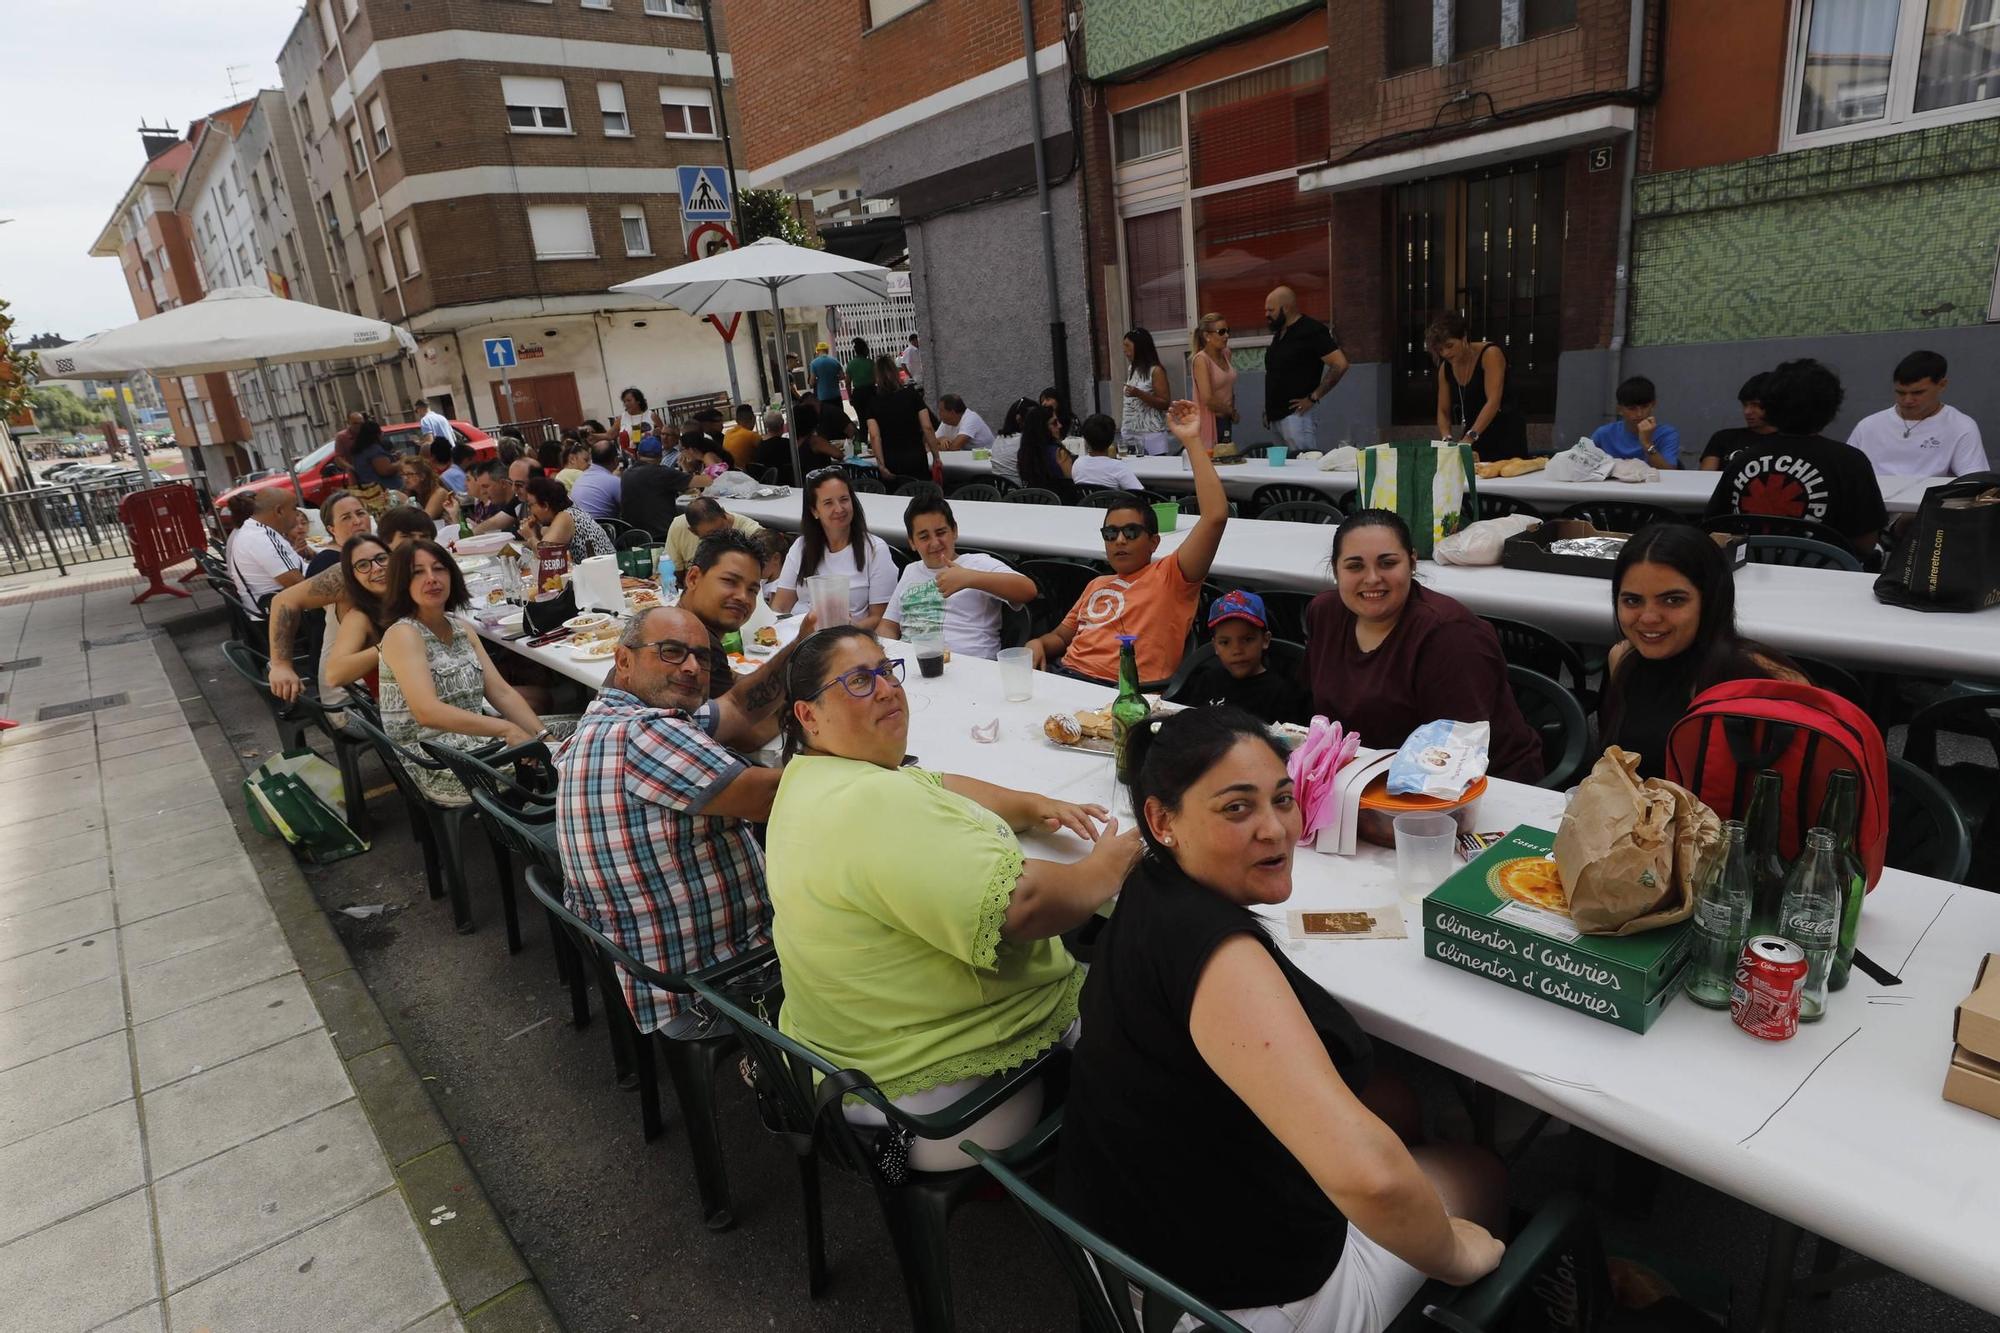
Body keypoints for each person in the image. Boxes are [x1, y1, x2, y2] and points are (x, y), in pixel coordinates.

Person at [1061, 707, 1505, 1325]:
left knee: (1395, 1101)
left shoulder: (1147, 887)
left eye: (1283, 799)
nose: (1275, 829)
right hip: (1241, 1302)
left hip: (1131, 1241)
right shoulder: (1221, 956)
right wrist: (1457, 1253)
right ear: (1163, 820)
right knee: (1479, 1171)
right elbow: (1372, 1179)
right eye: (1236, 808)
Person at [766, 626, 1139, 1168]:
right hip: (933, 1101)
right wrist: (1111, 864)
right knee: (1143, 987)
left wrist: (1033, 805)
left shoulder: (810, 775)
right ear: (809, 715)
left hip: (840, 1053)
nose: (887, 688)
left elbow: (934, 783)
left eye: (885, 671)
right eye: (859, 681)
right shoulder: (869, 802)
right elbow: (1025, 905)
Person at [555, 604, 781, 1036]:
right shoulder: (646, 733)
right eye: (672, 652)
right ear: (623, 660)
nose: (693, 667)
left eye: (702, 657)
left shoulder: (604, 717)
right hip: (708, 984)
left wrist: (805, 648)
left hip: (639, 964)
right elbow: (773, 798)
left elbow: (734, 710)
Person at [1303, 510, 1543, 782]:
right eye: (1354, 566)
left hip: (1482, 785)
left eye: (1388, 563)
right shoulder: (1325, 613)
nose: (1371, 578)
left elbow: (1453, 760)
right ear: (1336, 569)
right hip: (1363, 775)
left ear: (1412, 563)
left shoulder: (1450, 636)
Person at [1030, 402, 1225, 685]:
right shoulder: (1097, 585)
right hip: (1066, 676)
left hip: (1122, 692)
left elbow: (1215, 517)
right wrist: (1038, 643)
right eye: (1110, 533)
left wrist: (1192, 440)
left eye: (1131, 532)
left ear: (1154, 542)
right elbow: (1061, 636)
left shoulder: (1172, 578)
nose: (1119, 540)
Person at [376, 539, 559, 805]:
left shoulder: (460, 627)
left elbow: (502, 693)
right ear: (401, 582)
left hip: (475, 744)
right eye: (417, 572)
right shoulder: (404, 634)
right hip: (439, 764)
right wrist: (509, 730)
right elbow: (426, 711)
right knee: (573, 754)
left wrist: (544, 737)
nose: (432, 578)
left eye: (439, 569)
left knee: (575, 738)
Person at [1704, 357, 1886, 558]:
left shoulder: (1742, 460)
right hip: (1825, 579)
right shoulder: (1850, 462)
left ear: (1770, 408)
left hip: (1748, 574)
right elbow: (1865, 544)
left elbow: (1716, 527)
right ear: (1831, 409)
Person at [267, 506, 432, 702]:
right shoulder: (348, 576)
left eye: (424, 540)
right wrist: (280, 665)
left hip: (398, 685)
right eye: (407, 540)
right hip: (354, 701)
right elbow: (283, 600)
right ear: (387, 542)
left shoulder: (411, 572)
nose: (416, 547)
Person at [880, 495, 1037, 659]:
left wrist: (969, 578)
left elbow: (1028, 590)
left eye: (941, 532)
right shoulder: (910, 571)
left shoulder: (977, 563)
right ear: (912, 542)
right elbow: (889, 625)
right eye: (924, 537)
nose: (935, 543)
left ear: (954, 531)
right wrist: (882, 654)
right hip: (914, 664)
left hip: (970, 664)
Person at [677, 530, 814, 715]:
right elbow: (741, 722)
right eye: (729, 581)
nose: (743, 597)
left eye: (752, 589)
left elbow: (734, 683)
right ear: (693, 578)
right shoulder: (692, 641)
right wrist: (801, 645)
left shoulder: (691, 628)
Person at [768, 470, 897, 628]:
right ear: (814, 511)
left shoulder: (875, 550)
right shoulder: (801, 547)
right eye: (828, 503)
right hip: (799, 636)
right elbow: (780, 606)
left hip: (848, 638)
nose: (839, 509)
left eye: (844, 500)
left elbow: (880, 618)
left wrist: (842, 631)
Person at [1167, 590, 1310, 725]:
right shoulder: (1208, 681)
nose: (1236, 650)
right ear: (1215, 646)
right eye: (1225, 642)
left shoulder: (1279, 693)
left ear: (1265, 640)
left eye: (1247, 640)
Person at [1844, 349, 1988, 477]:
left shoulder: (1961, 426)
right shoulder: (1868, 426)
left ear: (1942, 385)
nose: (1907, 400)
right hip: (1874, 504)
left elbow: (1973, 480)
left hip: (1928, 505)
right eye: (1900, 393)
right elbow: (1845, 472)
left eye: (1917, 393)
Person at [1428, 312, 1527, 461]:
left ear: (1464, 337)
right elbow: (1443, 410)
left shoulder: (1490, 354)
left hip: (1504, 433)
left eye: (1449, 346)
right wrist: (1446, 439)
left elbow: (1493, 402)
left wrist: (1470, 437)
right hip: (1473, 435)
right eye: (1440, 350)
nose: (1446, 353)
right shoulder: (1445, 368)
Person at [1262, 286, 1348, 454]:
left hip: (1296, 417)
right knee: (1281, 471)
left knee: (1302, 467)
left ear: (1285, 308)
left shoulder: (1311, 330)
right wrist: (1268, 409)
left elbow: (1340, 364)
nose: (1266, 314)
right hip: (1275, 416)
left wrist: (1314, 397)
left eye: (1271, 310)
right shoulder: (1280, 334)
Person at [226, 488, 307, 612]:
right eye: (294, 508)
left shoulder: (253, 530)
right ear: (279, 511)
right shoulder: (262, 538)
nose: (297, 514)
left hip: (274, 607)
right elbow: (298, 584)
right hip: (282, 615)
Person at [866, 353, 941, 481]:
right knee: (920, 493)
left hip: (891, 459)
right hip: (916, 456)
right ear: (896, 373)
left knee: (897, 496)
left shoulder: (873, 403)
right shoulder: (912, 395)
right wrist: (936, 457)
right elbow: (927, 427)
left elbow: (874, 436)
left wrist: (881, 465)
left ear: (877, 377)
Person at [1591, 376, 1681, 469]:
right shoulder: (1604, 434)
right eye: (1632, 408)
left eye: (1645, 407)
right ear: (1619, 409)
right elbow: (1581, 463)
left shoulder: (1667, 434)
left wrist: (1647, 444)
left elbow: (1670, 471)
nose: (1639, 414)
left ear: (1653, 405)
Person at [519, 476, 616, 562]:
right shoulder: (569, 511)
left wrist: (530, 537)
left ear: (545, 505)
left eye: (530, 505)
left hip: (602, 573)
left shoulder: (565, 517)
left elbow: (546, 556)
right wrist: (536, 532)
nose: (530, 510)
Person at [665, 496, 763, 574]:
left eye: (722, 529)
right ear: (694, 532)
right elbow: (673, 572)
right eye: (711, 535)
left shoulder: (751, 531)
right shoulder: (679, 526)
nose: (719, 536)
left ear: (725, 514)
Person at [1699, 373, 1776, 472]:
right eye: (1745, 405)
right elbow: (1706, 478)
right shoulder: (1723, 438)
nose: (1747, 412)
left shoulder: (1792, 442)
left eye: (1755, 405)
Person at [618, 433, 689, 540]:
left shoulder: (626, 474)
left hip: (634, 535)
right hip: (663, 535)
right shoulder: (662, 472)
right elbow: (701, 482)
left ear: (637, 455)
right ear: (661, 457)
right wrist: (685, 467)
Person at [1120, 328, 1173, 455]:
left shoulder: (1156, 371)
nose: (1124, 350)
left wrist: (1139, 394)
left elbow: (1165, 403)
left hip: (1151, 435)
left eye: (1127, 346)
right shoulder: (1132, 368)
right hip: (1130, 433)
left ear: (1139, 347)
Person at [1189, 314, 1238, 450]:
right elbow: (1208, 399)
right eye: (1221, 332)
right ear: (1207, 336)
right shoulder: (1201, 360)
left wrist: (1231, 410)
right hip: (1211, 420)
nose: (1226, 335)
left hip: (1226, 418)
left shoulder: (1226, 353)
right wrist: (1230, 411)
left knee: (1226, 456)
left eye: (1228, 331)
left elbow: (1229, 385)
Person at [1015, 402, 1079, 503]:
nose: (1060, 425)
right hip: (1063, 505)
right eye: (1054, 423)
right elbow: (1072, 486)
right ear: (1042, 428)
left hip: (1035, 504)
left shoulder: (1024, 453)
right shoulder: (1059, 453)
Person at [303, 489, 373, 577]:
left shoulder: (379, 549)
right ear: (332, 529)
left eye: (360, 513)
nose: (357, 521)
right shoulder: (326, 563)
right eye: (346, 518)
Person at [1070, 413, 1142, 490]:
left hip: (1086, 501)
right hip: (1113, 501)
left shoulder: (1078, 464)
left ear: (1085, 441)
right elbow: (1139, 493)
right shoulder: (1117, 467)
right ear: (1112, 440)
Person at [347, 419, 402, 509]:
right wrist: (402, 462)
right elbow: (385, 470)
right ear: (376, 434)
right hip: (386, 490)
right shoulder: (374, 450)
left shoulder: (359, 451)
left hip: (370, 490)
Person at [569, 436, 624, 520]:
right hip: (605, 529)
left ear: (592, 459)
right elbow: (629, 509)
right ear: (616, 460)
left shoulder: (580, 479)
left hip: (580, 528)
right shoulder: (614, 481)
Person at [399, 454, 459, 522]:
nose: (405, 478)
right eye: (403, 474)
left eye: (410, 474)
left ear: (422, 476)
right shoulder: (412, 492)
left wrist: (406, 501)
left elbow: (424, 520)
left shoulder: (439, 492)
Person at [809, 341, 847, 442]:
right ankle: (841, 441)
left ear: (818, 351)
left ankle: (829, 443)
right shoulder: (835, 361)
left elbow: (812, 382)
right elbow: (842, 376)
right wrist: (833, 378)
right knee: (839, 420)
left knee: (825, 423)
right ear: (827, 350)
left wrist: (818, 380)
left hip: (823, 398)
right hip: (836, 396)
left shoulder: (814, 363)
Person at [752, 409, 802, 485]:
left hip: (766, 484)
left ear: (766, 425)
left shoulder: (760, 445)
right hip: (788, 484)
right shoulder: (787, 444)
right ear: (782, 424)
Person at [467, 462, 519, 535]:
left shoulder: (520, 501)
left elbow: (493, 523)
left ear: (503, 483)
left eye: (486, 486)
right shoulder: (501, 504)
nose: (482, 492)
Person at [988, 398, 1033, 483]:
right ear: (1021, 420)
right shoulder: (1024, 441)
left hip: (1000, 492)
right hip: (1022, 493)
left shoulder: (999, 439)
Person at [613, 387, 663, 454]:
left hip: (651, 455)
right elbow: (609, 435)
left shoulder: (651, 415)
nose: (626, 404)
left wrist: (657, 433)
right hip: (629, 456)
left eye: (629, 400)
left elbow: (664, 433)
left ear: (638, 401)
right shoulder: (622, 417)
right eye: (624, 401)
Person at [845, 337, 876, 425]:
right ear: (864, 350)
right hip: (871, 393)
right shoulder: (870, 363)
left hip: (858, 395)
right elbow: (877, 379)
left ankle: (863, 438)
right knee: (874, 419)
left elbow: (847, 383)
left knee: (862, 421)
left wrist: (850, 397)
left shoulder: (851, 364)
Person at [721, 404, 761, 470]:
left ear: (736, 420)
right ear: (753, 418)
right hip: (747, 474)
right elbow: (764, 453)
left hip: (730, 472)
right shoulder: (752, 435)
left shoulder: (728, 433)